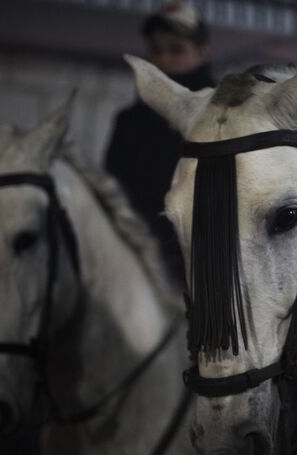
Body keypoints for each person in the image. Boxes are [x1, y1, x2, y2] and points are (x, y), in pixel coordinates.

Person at [105, 0, 215, 288]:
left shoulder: (221, 118)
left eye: (177, 50)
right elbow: (115, 190)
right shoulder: (129, 122)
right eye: (156, 50)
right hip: (138, 267)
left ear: (202, 53)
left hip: (209, 268)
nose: (163, 60)